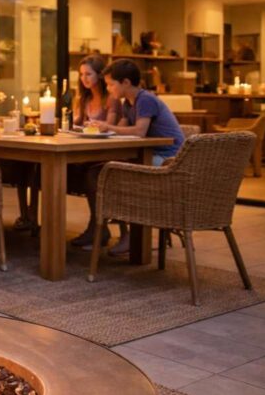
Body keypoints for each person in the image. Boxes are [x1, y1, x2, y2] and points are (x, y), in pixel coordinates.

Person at [81, 59, 185, 256]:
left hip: (169, 159)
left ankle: (129, 234)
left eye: (112, 84)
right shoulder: (128, 103)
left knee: (108, 174)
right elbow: (122, 129)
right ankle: (114, 229)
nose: (109, 88)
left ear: (126, 83)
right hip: (150, 155)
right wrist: (102, 129)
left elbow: (139, 131)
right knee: (98, 171)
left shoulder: (145, 99)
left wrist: (108, 127)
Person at [69, 54, 126, 250]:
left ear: (100, 76)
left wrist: (89, 126)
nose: (84, 78)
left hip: (107, 152)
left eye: (89, 74)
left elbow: (108, 127)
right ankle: (95, 228)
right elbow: (77, 124)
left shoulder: (111, 98)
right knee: (68, 171)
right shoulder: (84, 98)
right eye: (82, 74)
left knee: (91, 174)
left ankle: (98, 229)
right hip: (89, 151)